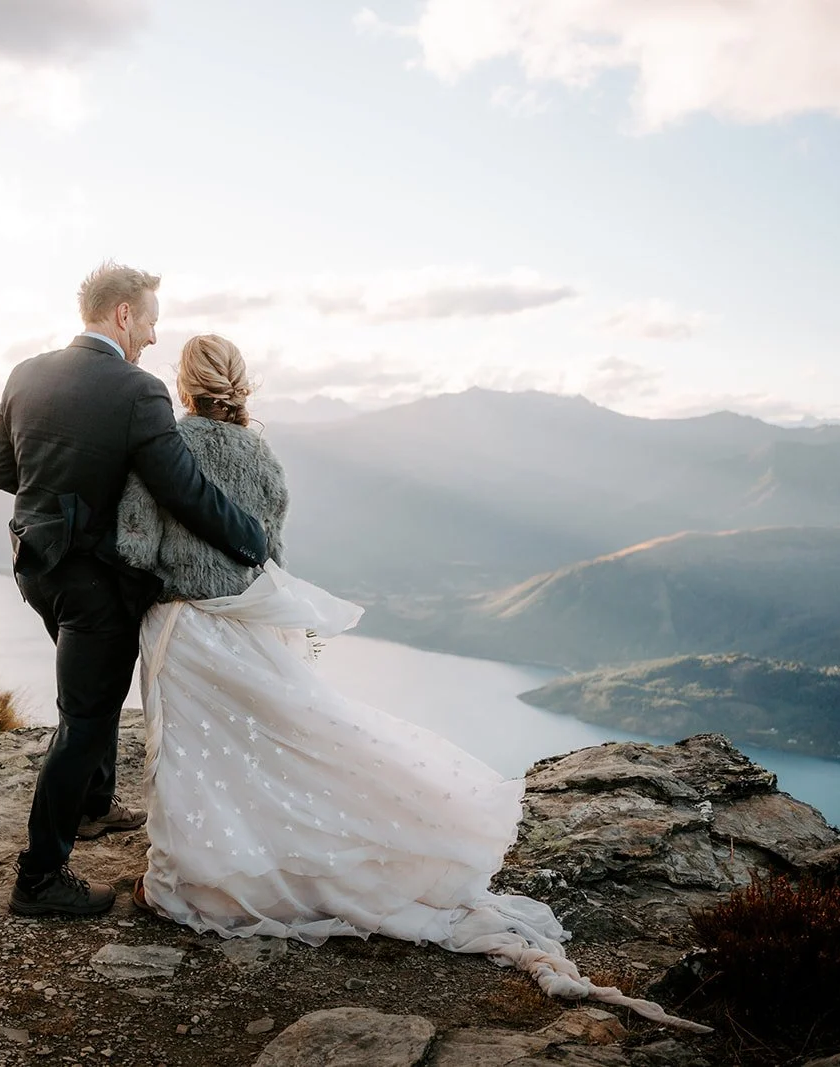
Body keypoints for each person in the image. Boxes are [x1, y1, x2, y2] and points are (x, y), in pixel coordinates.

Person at [114, 334, 711, 1032]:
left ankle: (191, 877)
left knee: (194, 755)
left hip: (185, 629)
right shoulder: (265, 458)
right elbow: (271, 553)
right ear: (241, 384)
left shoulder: (163, 450)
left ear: (182, 384)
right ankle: (252, 865)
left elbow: (133, 545)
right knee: (270, 753)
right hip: (249, 623)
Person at [0, 263, 270, 917]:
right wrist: (250, 539)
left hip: (34, 565)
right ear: (122, 314)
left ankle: (93, 805)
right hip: (91, 580)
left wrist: (66, 498)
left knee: (93, 695)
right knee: (84, 720)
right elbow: (184, 491)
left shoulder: (25, 373)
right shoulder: (137, 390)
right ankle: (39, 878)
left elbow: (6, 473)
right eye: (148, 320)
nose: (151, 334)